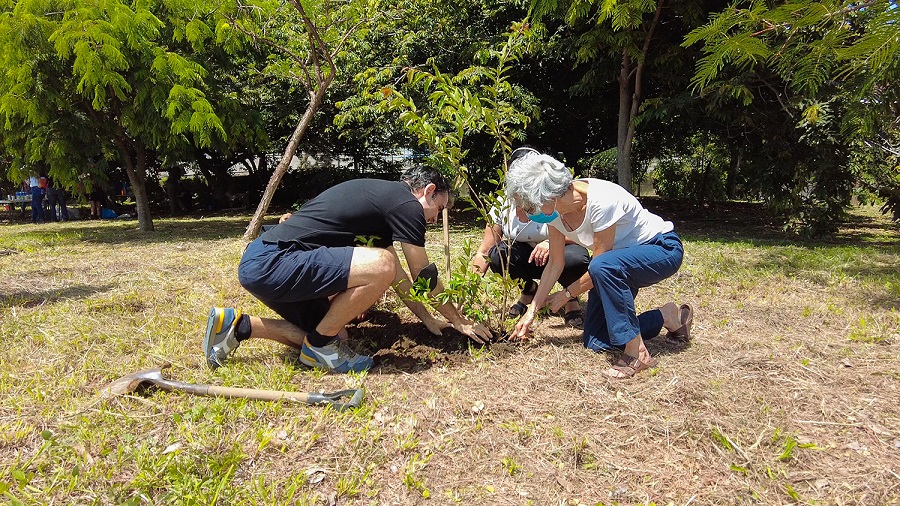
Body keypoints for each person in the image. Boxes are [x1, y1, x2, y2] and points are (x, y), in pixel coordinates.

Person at [203, 167, 492, 373]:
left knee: (337, 336)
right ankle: (318, 347)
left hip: (263, 262)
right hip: (274, 260)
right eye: (439, 208)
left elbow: (400, 280)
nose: (434, 218)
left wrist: (428, 319)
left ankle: (239, 326)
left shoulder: (384, 204)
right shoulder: (406, 205)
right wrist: (459, 321)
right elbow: (422, 275)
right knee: (382, 264)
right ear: (428, 192)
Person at [505, 149, 693, 379]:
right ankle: (667, 316)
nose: (526, 212)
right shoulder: (554, 213)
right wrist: (531, 313)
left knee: (601, 265)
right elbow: (555, 263)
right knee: (596, 340)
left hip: (660, 250)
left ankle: (637, 354)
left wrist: (566, 295)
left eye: (528, 205)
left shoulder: (601, 200)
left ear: (549, 197)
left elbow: (599, 265)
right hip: (617, 266)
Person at [470, 150, 590, 328]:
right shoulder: (503, 203)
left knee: (575, 258)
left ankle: (570, 298)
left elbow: (580, 235)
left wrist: (549, 243)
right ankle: (528, 291)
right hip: (525, 259)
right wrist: (468, 293)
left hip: (559, 254)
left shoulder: (552, 199)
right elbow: (484, 252)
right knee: (498, 254)